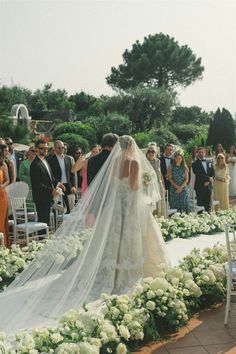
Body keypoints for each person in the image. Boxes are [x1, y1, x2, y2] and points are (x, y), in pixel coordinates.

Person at [0, 135, 170, 333]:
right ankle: (130, 270)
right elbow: (134, 187)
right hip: (131, 205)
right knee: (132, 236)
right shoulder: (133, 163)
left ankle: (110, 268)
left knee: (113, 237)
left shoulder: (115, 162)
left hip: (116, 207)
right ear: (132, 147)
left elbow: (112, 185)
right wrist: (145, 182)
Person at [30, 139, 64, 231]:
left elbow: (51, 177)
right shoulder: (34, 164)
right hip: (41, 197)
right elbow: (37, 184)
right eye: (42, 148)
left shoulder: (45, 161)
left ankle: (43, 241)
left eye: (46, 148)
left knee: (46, 222)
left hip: (48, 196)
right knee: (43, 222)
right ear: (36, 149)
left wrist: (58, 183)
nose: (45, 150)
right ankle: (41, 242)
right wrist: (52, 190)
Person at [47, 140, 77, 213]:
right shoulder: (50, 160)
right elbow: (50, 175)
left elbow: (72, 173)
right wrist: (56, 185)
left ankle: (67, 223)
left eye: (63, 148)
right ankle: (57, 223)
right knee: (58, 209)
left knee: (69, 208)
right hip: (57, 186)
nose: (61, 150)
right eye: (59, 148)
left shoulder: (69, 159)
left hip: (68, 186)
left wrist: (74, 186)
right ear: (54, 148)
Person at [146, 143, 166, 217]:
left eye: (153, 151)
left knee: (159, 207)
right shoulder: (144, 161)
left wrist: (163, 186)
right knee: (151, 208)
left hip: (158, 186)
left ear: (156, 152)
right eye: (149, 151)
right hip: (149, 187)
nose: (151, 153)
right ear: (147, 152)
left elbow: (160, 174)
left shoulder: (158, 161)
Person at [192, 147, 214, 212]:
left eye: (202, 152)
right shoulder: (194, 163)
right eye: (199, 152)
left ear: (205, 153)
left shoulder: (209, 162)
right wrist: (208, 178)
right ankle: (200, 219)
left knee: (208, 204)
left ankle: (208, 219)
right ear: (197, 154)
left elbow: (213, 173)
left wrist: (209, 181)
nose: (201, 153)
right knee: (200, 204)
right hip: (200, 186)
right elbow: (198, 174)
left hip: (209, 186)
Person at [0, 144, 10, 248]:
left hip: (1, 195)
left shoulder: (4, 165)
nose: (7, 153)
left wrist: (2, 186)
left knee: (1, 221)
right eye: (6, 151)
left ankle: (2, 246)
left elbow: (8, 180)